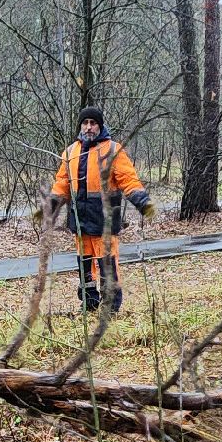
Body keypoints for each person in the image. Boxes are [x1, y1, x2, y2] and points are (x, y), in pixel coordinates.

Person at [49, 105, 154, 312]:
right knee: (85, 266)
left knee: (107, 265)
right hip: (80, 222)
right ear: (80, 125)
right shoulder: (70, 152)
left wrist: (143, 202)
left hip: (105, 220)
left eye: (93, 123)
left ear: (100, 126)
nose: (89, 127)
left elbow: (128, 180)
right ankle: (89, 303)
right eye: (85, 123)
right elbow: (62, 183)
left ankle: (110, 307)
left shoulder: (113, 150)